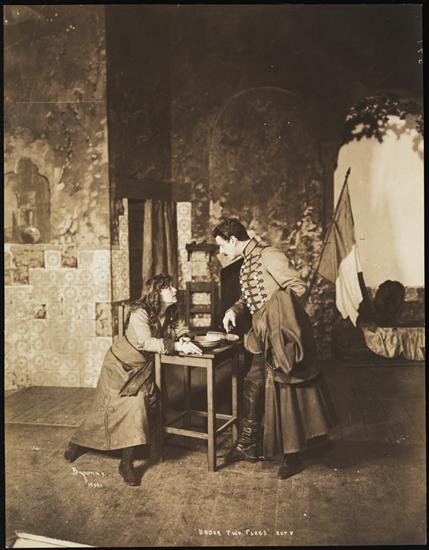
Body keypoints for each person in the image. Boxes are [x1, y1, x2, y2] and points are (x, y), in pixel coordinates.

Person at [213, 218, 337, 480]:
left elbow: (297, 288)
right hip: (261, 336)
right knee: (253, 382)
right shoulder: (248, 260)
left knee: (287, 389)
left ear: (233, 240)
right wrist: (234, 309)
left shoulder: (269, 255)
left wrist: (273, 318)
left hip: (280, 335)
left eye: (222, 246)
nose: (221, 252)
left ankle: (294, 455)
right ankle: (247, 444)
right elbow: (249, 296)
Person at [64, 274, 202, 486]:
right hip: (118, 366)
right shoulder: (140, 312)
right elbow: (146, 342)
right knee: (105, 411)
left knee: (138, 406)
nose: (175, 289)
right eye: (168, 287)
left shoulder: (171, 310)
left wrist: (183, 338)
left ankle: (125, 462)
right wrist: (176, 346)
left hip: (142, 369)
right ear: (156, 292)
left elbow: (180, 328)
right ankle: (79, 443)